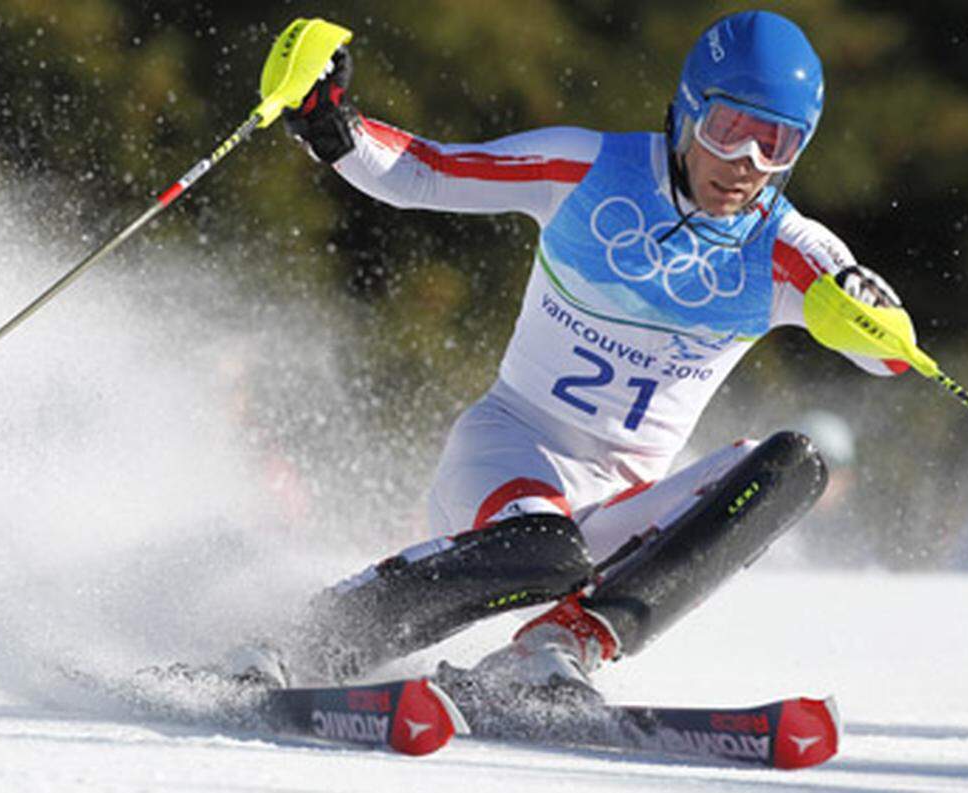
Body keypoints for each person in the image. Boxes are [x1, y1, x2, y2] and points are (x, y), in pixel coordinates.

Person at [260, 10, 907, 693]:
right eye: (729, 131)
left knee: (792, 466)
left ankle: (559, 645)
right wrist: (331, 125)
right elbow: (425, 173)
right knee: (548, 551)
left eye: (775, 145)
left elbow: (890, 356)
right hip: (509, 463)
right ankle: (303, 641)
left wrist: (866, 314)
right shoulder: (590, 167)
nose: (746, 165)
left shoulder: (787, 247)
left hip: (623, 515)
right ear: (689, 110)